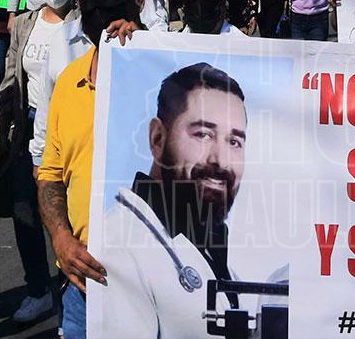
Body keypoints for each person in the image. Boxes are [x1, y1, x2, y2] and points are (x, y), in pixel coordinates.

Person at [94, 62, 250, 337]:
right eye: (203, 134)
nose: (221, 160)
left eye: (234, 141)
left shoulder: (209, 246)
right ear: (158, 139)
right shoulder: (118, 246)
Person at [37, 0, 143, 339]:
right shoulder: (69, 82)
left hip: (159, 286)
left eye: (111, 2)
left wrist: (143, 52)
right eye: (90, 3)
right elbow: (50, 175)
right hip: (85, 289)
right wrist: (61, 239)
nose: (100, 14)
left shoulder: (171, 72)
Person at [0, 0, 80, 323]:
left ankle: (72, 287)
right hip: (27, 127)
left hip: (70, 128)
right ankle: (38, 289)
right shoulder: (25, 23)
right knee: (25, 210)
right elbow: (11, 78)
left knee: (67, 212)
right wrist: (4, 134)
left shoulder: (83, 24)